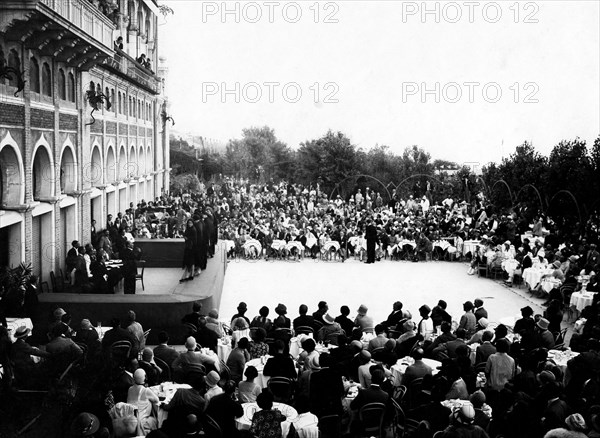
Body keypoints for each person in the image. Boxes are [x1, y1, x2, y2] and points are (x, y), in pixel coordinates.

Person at [127, 368, 159, 434]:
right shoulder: (145, 390)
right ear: (144, 378)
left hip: (131, 419)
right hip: (142, 421)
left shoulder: (130, 389)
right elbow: (156, 399)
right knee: (155, 420)